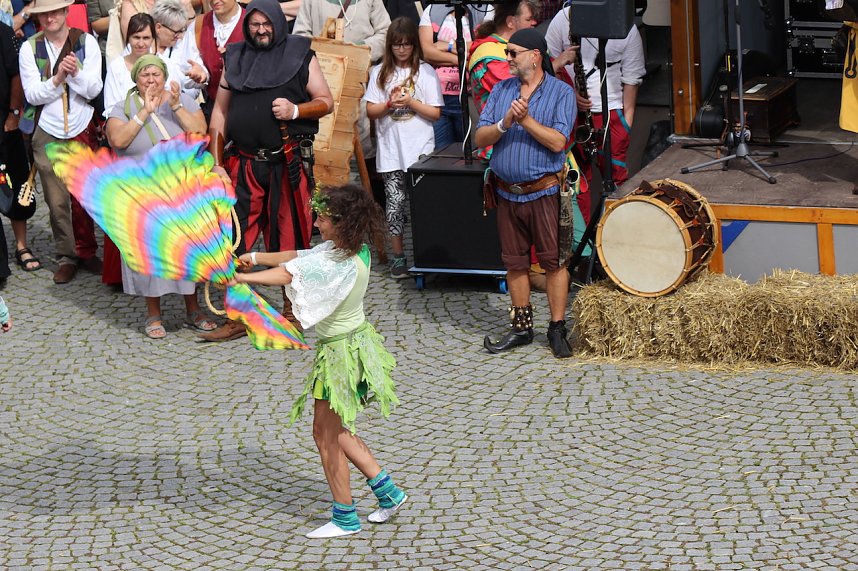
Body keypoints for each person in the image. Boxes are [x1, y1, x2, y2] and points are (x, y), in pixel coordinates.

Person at [231, 184, 406, 539]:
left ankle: (345, 518)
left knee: (325, 436)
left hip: (341, 356)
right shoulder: (353, 251)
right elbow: (302, 256)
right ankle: (388, 493)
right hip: (353, 347)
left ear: (341, 223)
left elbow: (292, 273)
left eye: (323, 217)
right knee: (336, 431)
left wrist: (240, 278)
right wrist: (257, 257)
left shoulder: (332, 263)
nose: (317, 221)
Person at [205, 0, 333, 342]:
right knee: (233, 241)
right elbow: (219, 112)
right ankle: (238, 316)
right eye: (254, 24)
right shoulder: (235, 57)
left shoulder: (302, 54)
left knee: (290, 238)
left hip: (286, 165)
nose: (260, 30)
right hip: (244, 165)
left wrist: (295, 110)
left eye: (266, 24)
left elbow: (325, 100)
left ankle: (291, 311)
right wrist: (217, 162)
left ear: (277, 22)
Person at [475, 28, 576, 359]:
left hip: (544, 192)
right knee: (515, 263)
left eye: (513, 52)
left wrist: (526, 120)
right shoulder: (501, 90)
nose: (507, 58)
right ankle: (521, 328)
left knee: (554, 262)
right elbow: (480, 138)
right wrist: (505, 123)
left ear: (535, 55)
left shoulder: (561, 93)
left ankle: (557, 328)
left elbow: (559, 142)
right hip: (507, 192)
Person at [105, 54, 215, 338]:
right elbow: (118, 140)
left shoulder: (182, 101)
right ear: (136, 79)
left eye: (156, 74)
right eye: (145, 75)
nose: (151, 80)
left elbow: (200, 131)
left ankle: (193, 309)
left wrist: (176, 106)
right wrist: (144, 112)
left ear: (164, 77)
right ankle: (154, 314)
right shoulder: (123, 108)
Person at [19, 0, 104, 284]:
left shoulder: (86, 42)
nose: (50, 17)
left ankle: (87, 251)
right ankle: (67, 255)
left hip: (80, 123)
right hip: (48, 128)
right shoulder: (29, 47)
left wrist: (76, 73)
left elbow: (94, 88)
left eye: (55, 11)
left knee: (83, 195)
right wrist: (57, 78)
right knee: (56, 201)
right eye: (44, 13)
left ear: (67, 11)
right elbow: (31, 95)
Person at [364, 17, 441, 278]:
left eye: (407, 44)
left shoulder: (426, 72)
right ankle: (398, 257)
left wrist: (411, 102)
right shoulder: (379, 72)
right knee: (395, 205)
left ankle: (427, 254)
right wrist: (388, 105)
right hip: (391, 153)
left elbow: (435, 113)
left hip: (421, 150)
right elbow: (370, 111)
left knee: (424, 205)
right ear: (389, 46)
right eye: (397, 45)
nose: (402, 49)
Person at [545, 3, 644, 188]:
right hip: (569, 112)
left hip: (612, 112)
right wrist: (569, 94)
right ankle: (582, 217)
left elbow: (632, 77)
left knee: (617, 179)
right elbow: (547, 65)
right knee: (575, 180)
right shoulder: (563, 19)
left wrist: (626, 124)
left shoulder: (625, 26)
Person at [467, 0, 537, 159]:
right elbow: (520, 90)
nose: (534, 23)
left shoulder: (522, 47)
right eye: (528, 19)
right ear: (511, 22)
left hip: (528, 141)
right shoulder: (488, 53)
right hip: (502, 147)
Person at [418, 2, 489, 150]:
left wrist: (447, 46)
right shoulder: (432, 11)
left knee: (473, 150)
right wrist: (460, 59)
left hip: (471, 96)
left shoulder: (484, 10)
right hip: (439, 97)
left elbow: (483, 46)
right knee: (441, 154)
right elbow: (427, 52)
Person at [1, 21, 41, 277]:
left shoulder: (2, 32)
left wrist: (15, 113)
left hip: (4, 122)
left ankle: (21, 245)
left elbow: (16, 74)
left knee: (16, 181)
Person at [102, 13, 181, 117]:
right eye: (136, 37)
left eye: (146, 38)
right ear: (128, 38)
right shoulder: (117, 67)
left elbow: (175, 99)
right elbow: (111, 108)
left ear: (153, 38)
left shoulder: (167, 64)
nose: (140, 43)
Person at [180, 0, 245, 119]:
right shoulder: (198, 25)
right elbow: (188, 67)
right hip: (214, 107)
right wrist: (203, 74)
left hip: (247, 108)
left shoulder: (252, 22)